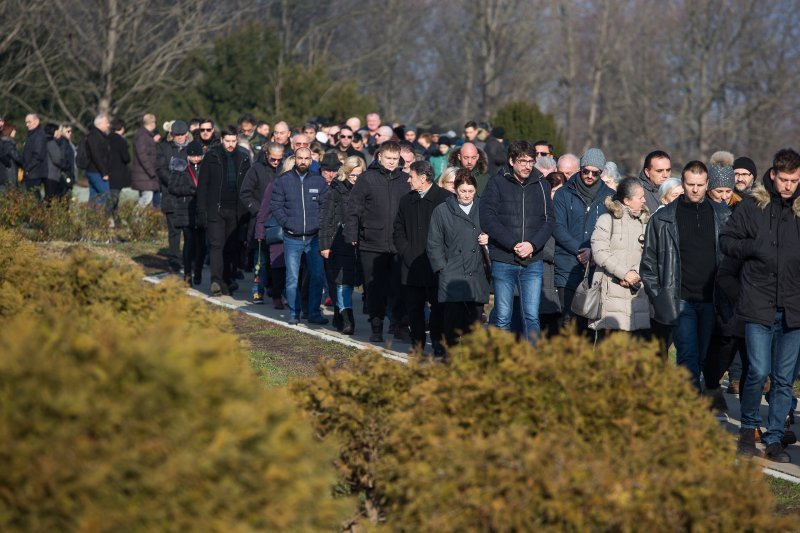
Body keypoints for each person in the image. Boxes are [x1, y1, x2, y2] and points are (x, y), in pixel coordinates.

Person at [720, 148, 800, 462]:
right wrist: (753, 246)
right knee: (758, 371)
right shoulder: (753, 207)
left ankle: (775, 438)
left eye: (794, 180)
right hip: (758, 305)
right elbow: (726, 240)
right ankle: (748, 428)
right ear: (773, 175)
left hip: (793, 309)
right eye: (784, 180)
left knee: (783, 379)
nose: (789, 186)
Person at [640, 161, 730, 392]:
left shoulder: (722, 215)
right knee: (687, 354)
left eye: (700, 185)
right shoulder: (663, 218)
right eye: (691, 184)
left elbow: (732, 256)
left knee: (701, 356)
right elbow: (648, 263)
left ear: (707, 184)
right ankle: (690, 408)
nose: (695, 189)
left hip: (712, 298)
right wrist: (659, 296)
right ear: (683, 183)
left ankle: (689, 399)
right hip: (679, 298)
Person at [480, 140, 555, 342]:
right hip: (504, 258)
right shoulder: (497, 183)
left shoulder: (541, 184)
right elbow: (488, 218)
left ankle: (531, 363)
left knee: (531, 315)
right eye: (522, 161)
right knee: (503, 316)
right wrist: (513, 243)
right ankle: (501, 361)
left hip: (533, 260)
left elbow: (549, 220)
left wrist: (533, 244)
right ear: (512, 161)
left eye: (531, 161)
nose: (527, 166)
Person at [344, 141, 409, 342]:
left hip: (398, 244)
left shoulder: (405, 180)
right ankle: (376, 325)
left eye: (394, 159)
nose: (391, 162)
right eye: (388, 158)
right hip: (372, 242)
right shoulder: (367, 179)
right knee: (374, 288)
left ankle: (398, 323)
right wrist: (352, 234)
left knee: (400, 287)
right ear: (379, 157)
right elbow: (353, 208)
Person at [552, 148, 614, 331]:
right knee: (567, 323)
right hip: (567, 265)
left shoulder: (610, 196)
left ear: (601, 173)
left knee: (589, 324)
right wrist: (580, 250)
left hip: (596, 268)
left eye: (595, 173)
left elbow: (612, 230)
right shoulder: (564, 193)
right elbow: (557, 226)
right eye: (585, 171)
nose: (589, 175)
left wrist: (593, 252)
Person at [393, 160, 451, 355]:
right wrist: (406, 251)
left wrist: (441, 257)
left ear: (424, 178)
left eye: (411, 176)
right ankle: (417, 343)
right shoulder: (406, 200)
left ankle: (437, 341)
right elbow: (398, 230)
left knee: (438, 307)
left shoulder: (445, 199)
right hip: (411, 263)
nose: (408, 180)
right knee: (414, 308)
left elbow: (452, 232)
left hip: (437, 265)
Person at [427, 170, 490, 348]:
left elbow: (498, 232)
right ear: (455, 189)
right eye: (463, 191)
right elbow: (434, 242)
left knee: (474, 321)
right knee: (452, 321)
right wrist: (442, 269)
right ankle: (451, 356)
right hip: (452, 272)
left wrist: (489, 239)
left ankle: (471, 360)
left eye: (471, 191)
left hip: (477, 272)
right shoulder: (442, 210)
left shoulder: (484, 208)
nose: (467, 195)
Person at [270, 147, 329, 326]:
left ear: (311, 160)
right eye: (300, 158)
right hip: (292, 238)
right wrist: (288, 223)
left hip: (314, 237)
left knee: (317, 276)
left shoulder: (319, 181)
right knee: (292, 278)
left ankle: (313, 312)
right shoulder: (283, 181)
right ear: (294, 159)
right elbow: (276, 206)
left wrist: (318, 225)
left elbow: (325, 206)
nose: (303, 161)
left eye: (307, 158)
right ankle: (294, 313)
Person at [588, 177, 651, 336]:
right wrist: (624, 274)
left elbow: (649, 254)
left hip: (636, 291)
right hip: (611, 290)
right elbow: (599, 252)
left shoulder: (645, 223)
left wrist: (635, 274)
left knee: (634, 349)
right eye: (640, 197)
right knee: (609, 346)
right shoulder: (606, 220)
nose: (644, 200)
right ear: (627, 200)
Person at [197, 125, 252, 296]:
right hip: (216, 209)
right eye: (227, 141)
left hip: (236, 211)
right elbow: (203, 186)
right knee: (216, 246)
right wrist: (202, 212)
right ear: (221, 140)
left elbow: (247, 186)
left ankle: (227, 279)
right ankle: (216, 280)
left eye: (233, 141)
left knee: (231, 247)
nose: (230, 144)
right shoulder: (212, 156)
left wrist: (246, 211)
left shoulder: (243, 158)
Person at [320, 156, 366, 335]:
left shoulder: (365, 191)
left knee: (356, 281)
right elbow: (326, 219)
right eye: (353, 175)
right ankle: (347, 317)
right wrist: (325, 245)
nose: (356, 179)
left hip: (361, 241)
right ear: (346, 174)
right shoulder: (335, 191)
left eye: (359, 175)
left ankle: (340, 315)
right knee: (342, 282)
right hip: (340, 242)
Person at [241, 142, 284, 304]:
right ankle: (258, 290)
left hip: (279, 222)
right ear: (267, 155)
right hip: (260, 220)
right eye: (273, 159)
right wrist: (259, 210)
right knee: (261, 260)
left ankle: (276, 290)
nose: (276, 163)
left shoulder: (284, 169)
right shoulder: (256, 169)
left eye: (279, 159)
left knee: (278, 260)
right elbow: (245, 193)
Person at [168, 140, 205, 286]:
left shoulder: (206, 167)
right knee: (189, 242)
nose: (196, 158)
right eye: (193, 156)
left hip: (201, 210)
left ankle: (199, 271)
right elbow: (172, 187)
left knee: (202, 245)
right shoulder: (180, 167)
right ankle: (188, 273)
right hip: (185, 208)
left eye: (198, 156)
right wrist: (189, 191)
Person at [157, 120, 191, 273]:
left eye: (182, 135)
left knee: (189, 231)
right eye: (176, 135)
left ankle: (189, 259)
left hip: (188, 196)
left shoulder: (192, 148)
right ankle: (174, 261)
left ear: (187, 134)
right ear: (172, 135)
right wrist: (174, 182)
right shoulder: (164, 147)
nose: (179, 138)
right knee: (174, 231)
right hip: (170, 194)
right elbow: (160, 168)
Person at [540, 171, 566, 337]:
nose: (558, 195)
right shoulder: (539, 212)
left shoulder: (566, 210)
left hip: (563, 276)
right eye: (555, 191)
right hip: (546, 275)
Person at [131, 114, 161, 207]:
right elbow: (143, 156)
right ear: (152, 123)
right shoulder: (143, 136)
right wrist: (152, 172)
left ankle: (140, 220)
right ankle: (134, 217)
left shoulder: (145, 135)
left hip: (145, 175)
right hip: (145, 174)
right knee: (146, 198)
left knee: (148, 201)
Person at [84, 113, 113, 205]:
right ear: (99, 123)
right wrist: (104, 172)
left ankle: (92, 218)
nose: (108, 125)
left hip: (96, 171)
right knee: (106, 195)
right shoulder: (94, 136)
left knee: (94, 197)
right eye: (106, 123)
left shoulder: (99, 135)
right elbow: (96, 155)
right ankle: (101, 217)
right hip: (96, 171)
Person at [107, 118, 131, 224]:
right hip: (118, 173)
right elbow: (126, 158)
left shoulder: (106, 139)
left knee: (112, 196)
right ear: (122, 128)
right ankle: (111, 219)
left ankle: (115, 220)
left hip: (108, 172)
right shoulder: (121, 141)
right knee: (114, 198)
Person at [22, 113, 48, 196]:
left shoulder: (39, 135)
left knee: (34, 198)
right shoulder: (32, 134)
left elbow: (38, 156)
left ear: (36, 121)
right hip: (32, 172)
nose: (27, 125)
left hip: (35, 172)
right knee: (32, 197)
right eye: (26, 122)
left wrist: (27, 168)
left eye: (29, 122)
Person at [44, 123, 68, 200]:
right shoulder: (51, 143)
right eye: (58, 130)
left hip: (47, 173)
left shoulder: (44, 141)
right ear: (54, 131)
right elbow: (57, 159)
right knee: (51, 198)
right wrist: (64, 165)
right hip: (52, 174)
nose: (59, 132)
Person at [0, 123, 22, 191]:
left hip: (3, 175)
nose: (15, 132)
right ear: (9, 131)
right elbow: (16, 157)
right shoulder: (9, 144)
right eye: (14, 130)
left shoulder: (2, 142)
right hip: (9, 174)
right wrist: (25, 164)